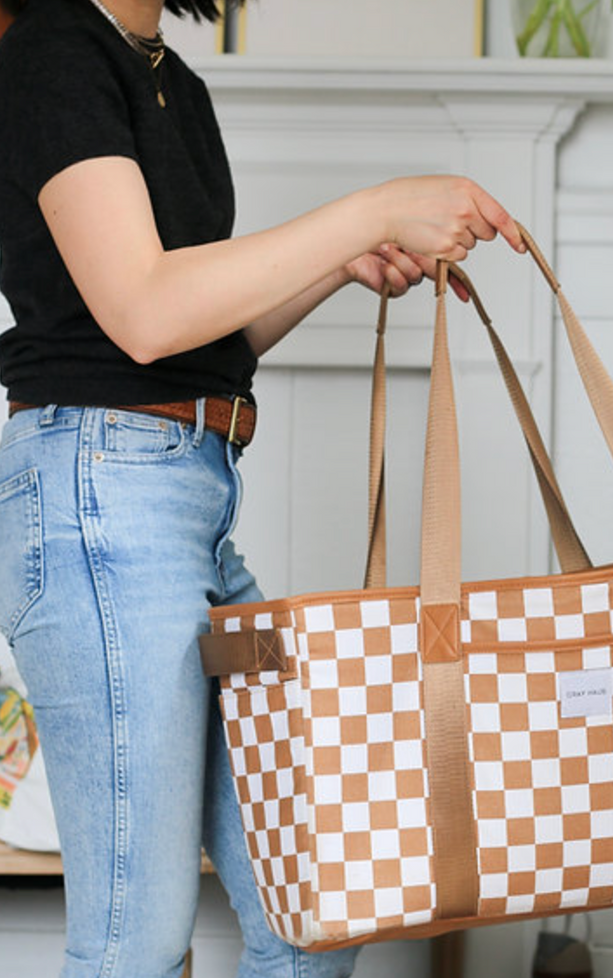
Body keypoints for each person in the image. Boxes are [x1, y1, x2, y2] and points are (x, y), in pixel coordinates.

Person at [0, 0, 524, 975]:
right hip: (100, 497)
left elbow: (207, 342)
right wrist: (370, 208)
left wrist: (340, 263)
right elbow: (145, 315)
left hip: (191, 494)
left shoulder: (175, 84)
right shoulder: (50, 48)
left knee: (313, 914)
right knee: (134, 948)